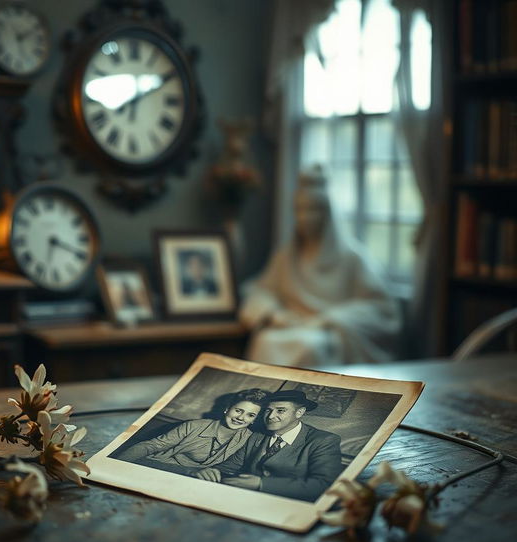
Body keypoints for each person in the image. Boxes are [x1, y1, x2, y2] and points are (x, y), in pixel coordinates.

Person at [239, 167, 401, 367]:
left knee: (310, 346)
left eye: (313, 210)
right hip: (291, 326)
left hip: (326, 333)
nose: (305, 217)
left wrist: (331, 319)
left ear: (327, 213)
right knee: (265, 340)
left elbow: (381, 310)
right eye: (300, 210)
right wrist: (274, 313)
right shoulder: (286, 256)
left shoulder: (352, 258)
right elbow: (260, 289)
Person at [194, 389, 342, 502]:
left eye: (281, 411)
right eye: (268, 410)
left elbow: (324, 485)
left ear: (300, 412)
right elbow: (229, 466)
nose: (271, 416)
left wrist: (261, 484)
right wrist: (210, 471)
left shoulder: (324, 440)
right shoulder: (257, 436)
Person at [115, 388, 270, 471]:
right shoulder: (194, 426)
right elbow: (150, 446)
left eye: (250, 415)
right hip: (154, 467)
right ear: (227, 409)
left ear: (255, 419)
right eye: (238, 410)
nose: (241, 418)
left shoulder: (249, 438)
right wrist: (116, 466)